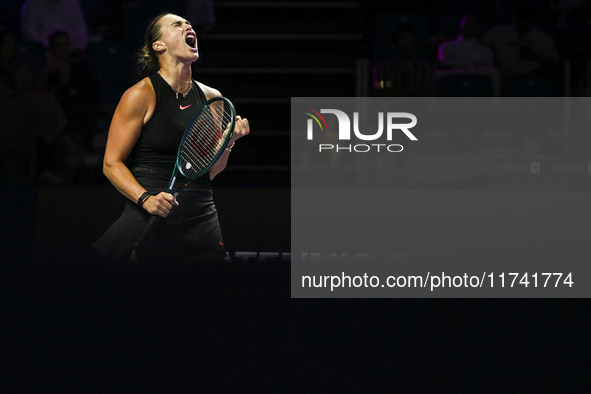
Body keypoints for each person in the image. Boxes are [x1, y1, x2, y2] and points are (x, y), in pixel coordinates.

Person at [92, 13, 250, 264]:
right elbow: (111, 163)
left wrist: (229, 142)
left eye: (189, 24)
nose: (188, 26)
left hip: (198, 210)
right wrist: (146, 200)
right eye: (177, 24)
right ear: (159, 45)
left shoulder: (212, 98)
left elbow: (209, 172)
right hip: (151, 204)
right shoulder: (140, 94)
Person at [482, 1, 560, 77]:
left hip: (534, 78)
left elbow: (555, 65)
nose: (523, 22)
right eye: (521, 17)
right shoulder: (498, 32)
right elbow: (479, 44)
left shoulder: (544, 38)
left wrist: (536, 58)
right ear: (515, 16)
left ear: (533, 18)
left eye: (527, 18)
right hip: (504, 78)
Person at [372, 24, 435, 97]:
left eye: (410, 39)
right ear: (394, 45)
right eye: (403, 40)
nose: (407, 43)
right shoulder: (382, 70)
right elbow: (381, 91)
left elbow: (428, 94)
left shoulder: (427, 69)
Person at [20, 0, 89, 54]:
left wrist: (77, 47)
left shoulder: (73, 2)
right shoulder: (33, 3)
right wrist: (50, 48)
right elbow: (29, 33)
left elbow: (81, 30)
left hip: (71, 55)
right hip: (44, 55)